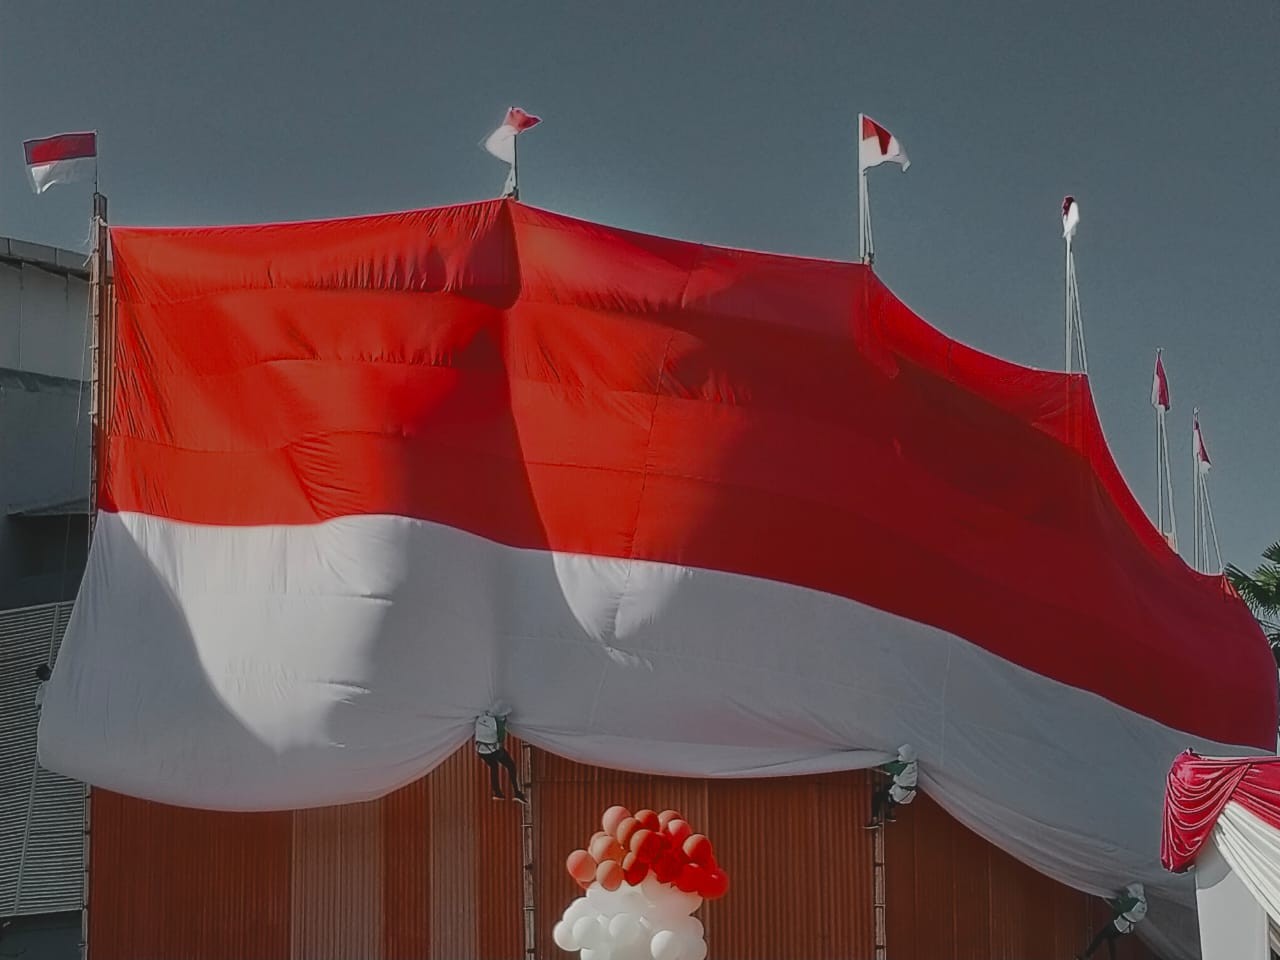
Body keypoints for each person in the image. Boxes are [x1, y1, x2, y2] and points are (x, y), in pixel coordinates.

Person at [1077, 882, 1147, 959]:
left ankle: (1087, 955)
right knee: (1110, 939)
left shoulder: (1134, 901)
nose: (1129, 892)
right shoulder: (1143, 903)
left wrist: (1115, 902)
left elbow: (1119, 908)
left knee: (1101, 935)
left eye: (1130, 891)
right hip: (1126, 927)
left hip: (1120, 924)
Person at [474, 709, 527, 805]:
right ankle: (517, 792)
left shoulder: (480, 718)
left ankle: (497, 792)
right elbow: (501, 739)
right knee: (510, 765)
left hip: (480, 750)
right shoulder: (498, 722)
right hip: (492, 750)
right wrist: (500, 749)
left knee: (494, 766)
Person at [866, 744, 918, 829]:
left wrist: (872, 766)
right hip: (905, 792)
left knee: (878, 797)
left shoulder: (902, 766)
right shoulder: (912, 764)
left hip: (902, 794)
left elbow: (886, 766)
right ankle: (891, 812)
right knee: (888, 791)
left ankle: (874, 819)